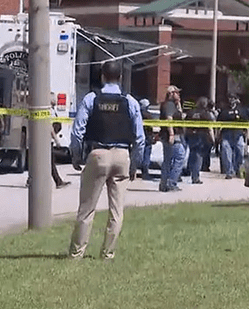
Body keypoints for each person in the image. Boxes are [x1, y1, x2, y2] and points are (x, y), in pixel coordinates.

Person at [68, 60, 144, 260]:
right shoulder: (130, 101)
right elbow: (140, 138)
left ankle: (77, 253)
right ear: (120, 77)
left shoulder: (91, 99)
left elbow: (77, 132)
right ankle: (108, 253)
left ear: (102, 76)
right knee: (117, 211)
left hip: (98, 153)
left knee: (87, 209)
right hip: (122, 156)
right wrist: (135, 164)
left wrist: (76, 155)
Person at [217, 93, 249, 179]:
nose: (231, 100)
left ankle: (238, 169)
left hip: (238, 134)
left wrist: (246, 133)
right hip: (226, 134)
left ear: (236, 99)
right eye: (229, 98)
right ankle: (229, 172)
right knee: (226, 152)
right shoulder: (224, 110)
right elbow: (219, 122)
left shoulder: (242, 109)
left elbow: (246, 121)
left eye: (233, 98)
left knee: (240, 150)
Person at [159, 85, 184, 192]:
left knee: (167, 160)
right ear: (171, 94)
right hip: (172, 136)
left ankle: (164, 184)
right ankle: (171, 182)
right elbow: (169, 119)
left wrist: (178, 104)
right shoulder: (169, 105)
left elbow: (181, 116)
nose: (179, 95)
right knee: (180, 156)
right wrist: (172, 134)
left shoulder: (172, 105)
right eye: (177, 93)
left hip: (167, 135)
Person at [185, 97, 215, 184]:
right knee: (198, 157)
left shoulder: (190, 113)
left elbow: (185, 125)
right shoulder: (206, 114)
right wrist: (212, 140)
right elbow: (209, 128)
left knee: (192, 154)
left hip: (191, 136)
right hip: (202, 137)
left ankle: (188, 170)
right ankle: (195, 177)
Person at [139, 98, 155, 180]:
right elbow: (151, 127)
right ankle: (145, 173)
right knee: (146, 155)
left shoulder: (137, 114)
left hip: (138, 137)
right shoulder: (148, 115)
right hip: (147, 137)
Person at [201, 98, 217, 172]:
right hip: (207, 136)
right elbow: (210, 128)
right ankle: (205, 166)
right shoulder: (210, 114)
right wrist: (213, 140)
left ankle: (202, 166)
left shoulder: (203, 113)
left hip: (201, 135)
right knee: (206, 153)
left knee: (202, 152)